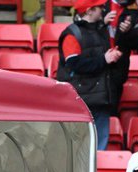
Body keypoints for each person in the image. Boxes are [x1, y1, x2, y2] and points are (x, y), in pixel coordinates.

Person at [56, 0, 126, 151]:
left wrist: (111, 57)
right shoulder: (72, 34)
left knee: (99, 149)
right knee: (79, 149)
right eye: (99, 7)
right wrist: (104, 60)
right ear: (89, 11)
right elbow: (74, 64)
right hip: (81, 100)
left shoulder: (100, 30)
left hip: (100, 97)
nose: (103, 9)